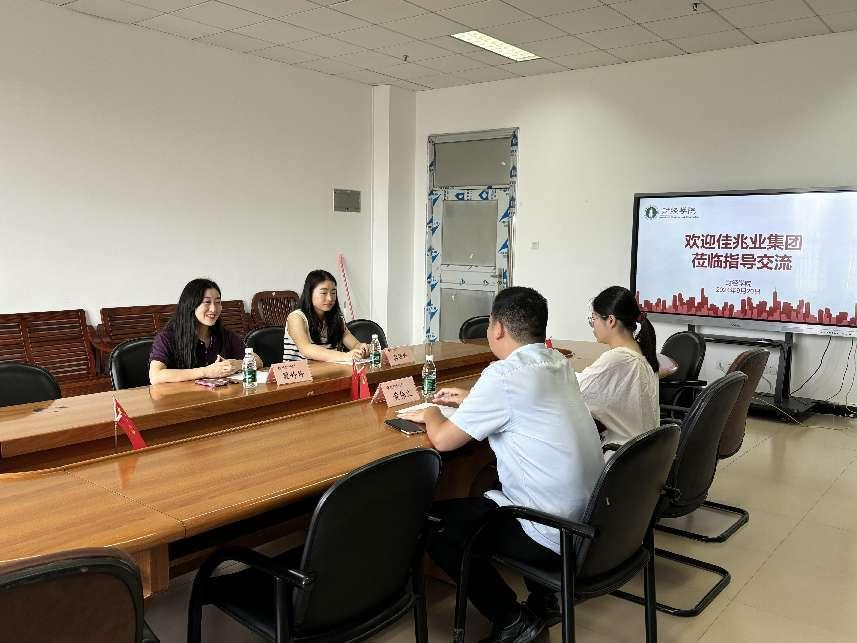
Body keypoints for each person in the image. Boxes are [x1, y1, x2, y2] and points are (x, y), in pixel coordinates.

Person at [401, 287, 603, 643]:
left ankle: (513, 620)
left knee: (435, 526)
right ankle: (544, 600)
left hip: (550, 530)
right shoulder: (558, 364)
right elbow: (524, 405)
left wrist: (431, 413)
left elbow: (443, 440)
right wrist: (474, 399)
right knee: (490, 488)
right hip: (588, 521)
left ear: (496, 329)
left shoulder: (503, 376)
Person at [578, 286, 659, 448]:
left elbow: (576, 389)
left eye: (594, 318)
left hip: (622, 454)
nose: (593, 325)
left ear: (611, 320)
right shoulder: (640, 352)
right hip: (645, 452)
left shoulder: (618, 359)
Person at [149, 278, 260, 384]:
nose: (214, 309)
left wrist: (237, 364)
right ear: (191, 305)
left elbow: (258, 361)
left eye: (218, 302)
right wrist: (206, 372)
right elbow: (155, 376)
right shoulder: (166, 337)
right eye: (207, 302)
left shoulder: (225, 334)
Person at [282, 269, 367, 362]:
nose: (330, 298)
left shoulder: (337, 318)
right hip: (298, 370)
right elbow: (306, 349)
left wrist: (361, 348)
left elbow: (354, 344)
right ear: (310, 293)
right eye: (323, 293)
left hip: (328, 369)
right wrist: (345, 356)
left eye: (333, 293)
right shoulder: (296, 317)